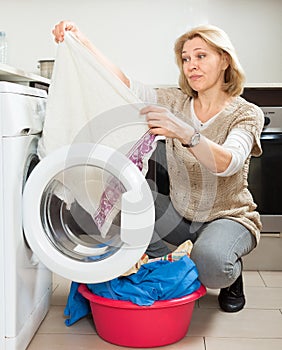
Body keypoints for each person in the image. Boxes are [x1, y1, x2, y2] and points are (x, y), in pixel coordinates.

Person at [52, 21, 264, 312]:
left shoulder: (246, 112)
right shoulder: (176, 101)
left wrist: (186, 132)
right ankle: (175, 265)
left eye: (201, 56)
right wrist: (84, 42)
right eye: (186, 59)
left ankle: (229, 274)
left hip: (228, 216)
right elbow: (125, 85)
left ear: (224, 59)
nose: (192, 65)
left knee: (212, 265)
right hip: (180, 213)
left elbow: (229, 162)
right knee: (129, 198)